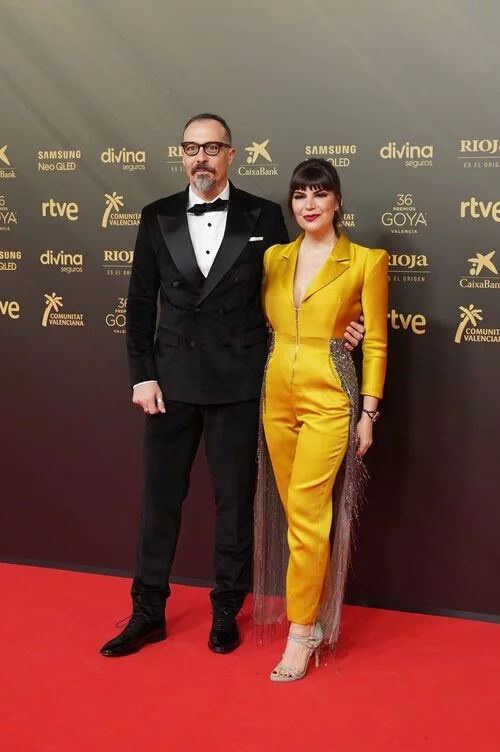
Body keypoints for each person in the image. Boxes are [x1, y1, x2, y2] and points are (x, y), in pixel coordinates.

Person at [100, 116, 365, 659]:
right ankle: (147, 611)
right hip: (169, 384)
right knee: (159, 503)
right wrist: (142, 374)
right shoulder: (155, 215)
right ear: (182, 155)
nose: (201, 157)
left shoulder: (263, 215)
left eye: (212, 147)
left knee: (234, 504)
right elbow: (140, 302)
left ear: (231, 154)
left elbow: (295, 290)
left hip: (239, 383)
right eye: (191, 148)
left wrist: (339, 325)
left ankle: (226, 609)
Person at [252, 158, 388, 682]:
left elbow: (376, 341)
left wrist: (369, 412)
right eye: (300, 195)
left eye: (320, 194)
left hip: (330, 397)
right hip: (274, 398)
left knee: (309, 516)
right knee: (296, 517)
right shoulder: (274, 257)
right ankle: (310, 613)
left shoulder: (365, 261)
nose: (309, 205)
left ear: (337, 202)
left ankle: (301, 631)